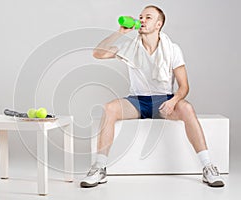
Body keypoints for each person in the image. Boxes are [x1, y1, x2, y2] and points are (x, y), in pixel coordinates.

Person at [80, 5, 225, 188]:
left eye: (148, 17)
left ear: (159, 24)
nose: (141, 20)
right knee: (110, 108)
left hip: (164, 100)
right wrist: (119, 32)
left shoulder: (172, 49)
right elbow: (98, 53)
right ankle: (99, 169)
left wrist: (173, 102)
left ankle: (208, 167)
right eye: (140, 16)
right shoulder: (129, 47)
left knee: (187, 108)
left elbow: (184, 86)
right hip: (137, 101)